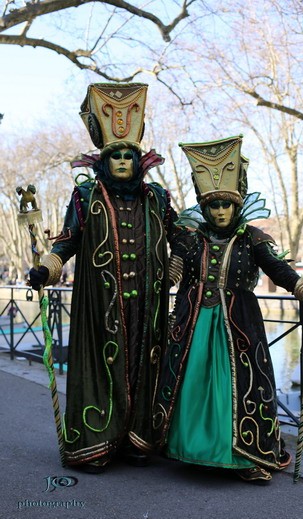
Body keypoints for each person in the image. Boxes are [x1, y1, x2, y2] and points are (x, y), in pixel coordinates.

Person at [29, 83, 178, 473]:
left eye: (130, 154)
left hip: (147, 306)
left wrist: (177, 264)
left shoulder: (157, 198)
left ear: (139, 159)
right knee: (102, 368)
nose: (124, 161)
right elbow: (67, 241)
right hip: (100, 305)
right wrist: (47, 268)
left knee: (144, 366)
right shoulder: (86, 197)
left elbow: (183, 238)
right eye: (117, 155)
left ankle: (136, 440)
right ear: (104, 161)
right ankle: (98, 443)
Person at [153, 135, 303, 483]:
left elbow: (278, 268)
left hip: (239, 327)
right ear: (205, 208)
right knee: (195, 384)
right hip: (194, 323)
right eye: (213, 206)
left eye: (226, 205)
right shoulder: (190, 238)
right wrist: (168, 275)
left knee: (241, 387)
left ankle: (246, 457)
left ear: (236, 206)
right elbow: (172, 271)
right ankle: (196, 450)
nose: (220, 211)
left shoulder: (252, 238)